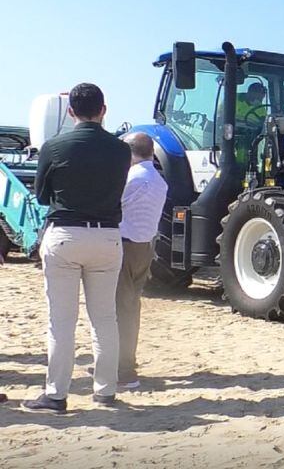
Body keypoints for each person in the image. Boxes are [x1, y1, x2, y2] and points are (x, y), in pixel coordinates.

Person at [23, 83, 130, 414]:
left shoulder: (54, 146)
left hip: (66, 234)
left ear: (71, 112)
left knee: (62, 321)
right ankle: (105, 390)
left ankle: (56, 395)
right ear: (104, 110)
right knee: (105, 319)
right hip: (108, 236)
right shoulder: (121, 150)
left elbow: (41, 195)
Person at [114, 132, 168, 390]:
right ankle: (123, 364)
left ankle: (123, 370)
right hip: (145, 246)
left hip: (125, 245)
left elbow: (114, 206)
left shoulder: (132, 179)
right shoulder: (159, 180)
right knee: (131, 307)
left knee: (120, 310)